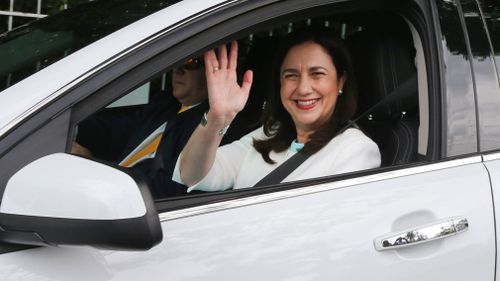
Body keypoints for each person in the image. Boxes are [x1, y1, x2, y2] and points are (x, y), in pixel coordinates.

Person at [172, 28, 381, 192]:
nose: (303, 88)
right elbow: (191, 174)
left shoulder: (355, 150)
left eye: (317, 74)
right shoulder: (269, 134)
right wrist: (218, 118)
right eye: (291, 75)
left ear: (340, 81)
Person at [73, 57, 210, 198]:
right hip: (107, 188)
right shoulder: (165, 104)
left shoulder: (207, 126)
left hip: (130, 201)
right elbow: (116, 131)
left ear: (211, 71)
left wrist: (98, 171)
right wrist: (71, 127)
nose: (178, 70)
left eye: (191, 62)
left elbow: (166, 187)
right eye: (177, 61)